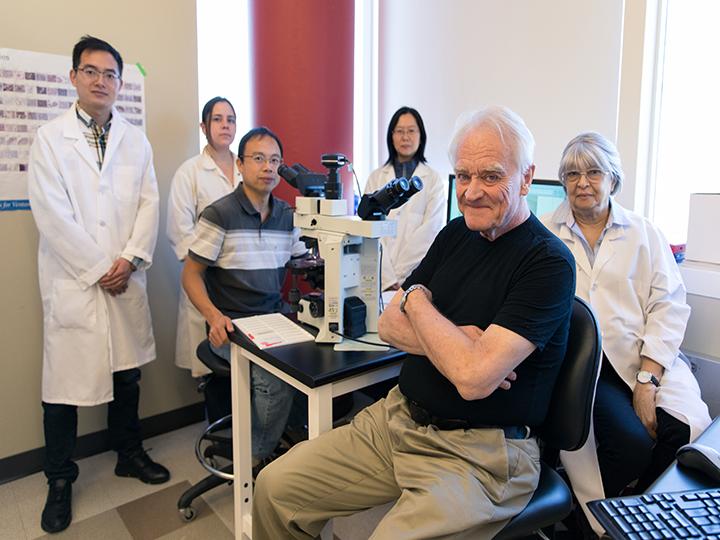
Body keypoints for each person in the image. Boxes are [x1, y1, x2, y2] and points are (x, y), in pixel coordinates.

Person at [252, 106, 577, 539]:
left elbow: (472, 380)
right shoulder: (455, 235)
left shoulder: (548, 262)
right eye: (464, 176)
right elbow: (389, 324)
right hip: (398, 419)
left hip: (480, 453)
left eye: (490, 176)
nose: (472, 191)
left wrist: (419, 304)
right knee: (274, 488)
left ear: (526, 177)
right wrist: (460, 345)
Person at [27, 35, 169, 534]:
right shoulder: (50, 139)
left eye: (110, 74)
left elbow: (149, 204)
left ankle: (129, 454)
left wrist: (128, 260)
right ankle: (59, 479)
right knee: (62, 389)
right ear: (74, 77)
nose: (101, 81)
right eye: (91, 71)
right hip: (76, 282)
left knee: (127, 377)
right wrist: (98, 268)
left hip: (124, 278)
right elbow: (52, 215)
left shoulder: (135, 140)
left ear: (120, 83)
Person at [541, 132, 711, 536]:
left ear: (613, 179)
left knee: (686, 432)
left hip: (642, 356)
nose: (582, 183)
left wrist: (647, 380)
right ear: (563, 182)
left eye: (593, 172)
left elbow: (669, 304)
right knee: (632, 445)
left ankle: (641, 513)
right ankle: (590, 517)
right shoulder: (546, 234)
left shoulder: (643, 232)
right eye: (572, 174)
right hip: (587, 368)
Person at [181, 126, 306, 469]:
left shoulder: (287, 215)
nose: (268, 167)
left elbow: (305, 263)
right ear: (240, 164)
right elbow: (190, 275)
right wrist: (213, 317)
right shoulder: (220, 214)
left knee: (314, 362)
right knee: (274, 378)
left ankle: (293, 442)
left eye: (275, 161)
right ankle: (255, 459)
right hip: (233, 323)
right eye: (259, 158)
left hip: (275, 318)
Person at [167, 96, 241, 376]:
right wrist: (205, 265)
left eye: (230, 120)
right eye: (217, 119)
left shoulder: (247, 169)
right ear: (204, 126)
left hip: (243, 279)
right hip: (206, 277)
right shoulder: (190, 172)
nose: (225, 125)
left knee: (245, 368)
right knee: (213, 368)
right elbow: (179, 231)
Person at [364, 106, 446, 291]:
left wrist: (401, 275)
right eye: (400, 131)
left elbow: (430, 231)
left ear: (421, 135)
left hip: (416, 277)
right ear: (391, 136)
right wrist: (388, 278)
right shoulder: (376, 178)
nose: (405, 137)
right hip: (379, 276)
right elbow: (369, 229)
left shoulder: (433, 180)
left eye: (411, 131)